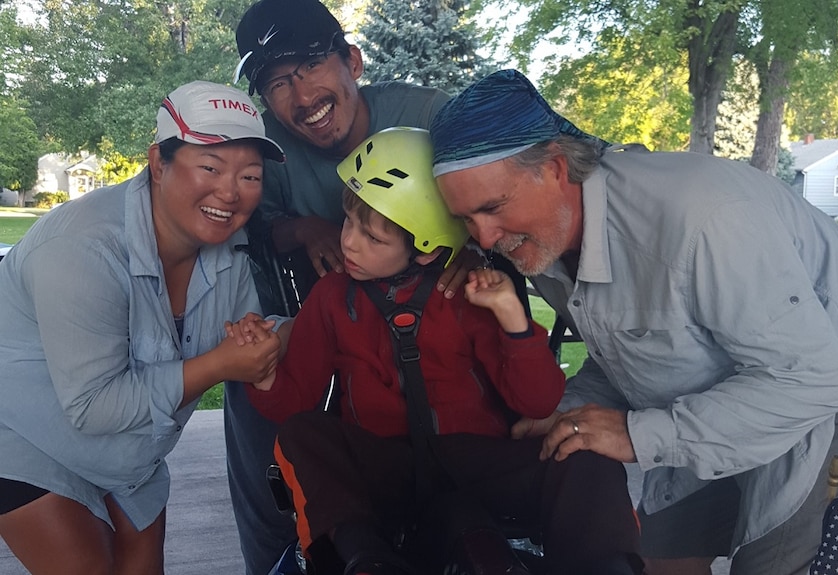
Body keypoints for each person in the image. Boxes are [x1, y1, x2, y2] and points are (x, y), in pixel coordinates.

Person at [427, 68, 838, 575]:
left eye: (493, 207)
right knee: (645, 556)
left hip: (834, 404)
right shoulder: (547, 240)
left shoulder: (702, 219)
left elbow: (811, 380)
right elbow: (629, 349)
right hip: (710, 400)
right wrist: (570, 409)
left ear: (555, 167)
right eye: (465, 220)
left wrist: (639, 436)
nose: (482, 237)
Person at [241, 127, 642, 575]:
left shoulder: (466, 292)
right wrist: (264, 375)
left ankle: (604, 565)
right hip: (386, 468)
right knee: (302, 434)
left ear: (427, 250)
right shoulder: (334, 298)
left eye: (373, 238)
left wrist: (511, 318)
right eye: (348, 222)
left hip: (476, 463)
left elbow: (537, 402)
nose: (349, 242)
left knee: (584, 451)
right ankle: (364, 559)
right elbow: (295, 399)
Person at [228, 1, 490, 571]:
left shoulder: (428, 114)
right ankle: (281, 554)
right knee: (253, 406)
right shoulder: (270, 146)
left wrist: (470, 250)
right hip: (325, 313)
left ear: (352, 59)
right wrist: (305, 227)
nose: (301, 98)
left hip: (438, 306)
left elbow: (493, 196)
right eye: (277, 83)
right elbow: (252, 231)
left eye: (311, 67)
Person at [0, 80, 289, 575]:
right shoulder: (81, 248)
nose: (230, 191)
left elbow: (250, 327)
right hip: (25, 435)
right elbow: (95, 406)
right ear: (158, 162)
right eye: (211, 167)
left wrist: (272, 338)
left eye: (250, 176)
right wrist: (221, 364)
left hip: (130, 458)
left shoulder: (228, 249)